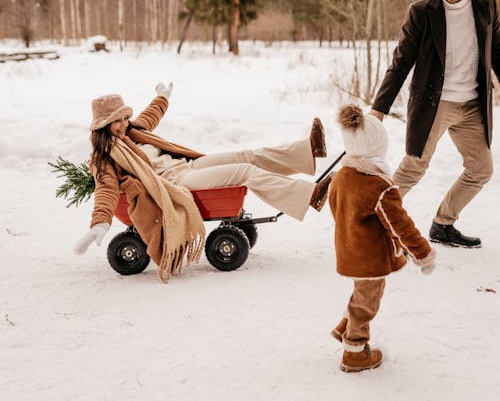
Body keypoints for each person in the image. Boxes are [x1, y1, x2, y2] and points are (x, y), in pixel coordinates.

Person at [74, 82, 333, 279]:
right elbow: (106, 190)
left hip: (187, 166)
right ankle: (310, 196)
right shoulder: (105, 157)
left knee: (244, 155)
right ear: (101, 126)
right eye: (114, 121)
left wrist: (163, 96)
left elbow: (152, 114)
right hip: (178, 182)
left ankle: (307, 153)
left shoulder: (133, 131)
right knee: (244, 171)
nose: (121, 124)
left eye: (123, 117)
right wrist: (99, 224)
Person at [371, 0, 500, 249]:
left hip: (472, 104)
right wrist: (380, 107)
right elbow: (401, 61)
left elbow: (498, 52)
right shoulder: (422, 12)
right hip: (435, 103)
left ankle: (443, 223)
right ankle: (374, 223)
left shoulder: (487, 6)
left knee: (481, 169)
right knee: (414, 166)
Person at [328, 104, 436, 373]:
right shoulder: (378, 186)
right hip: (370, 258)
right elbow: (400, 226)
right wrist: (422, 254)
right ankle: (354, 351)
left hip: (349, 249)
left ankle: (345, 326)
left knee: (361, 293)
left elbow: (336, 208)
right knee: (367, 302)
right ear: (377, 148)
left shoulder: (342, 176)